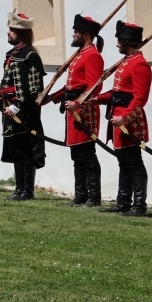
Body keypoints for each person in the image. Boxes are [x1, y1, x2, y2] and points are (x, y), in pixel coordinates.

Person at [45, 15, 105, 207]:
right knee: (77, 156)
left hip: (84, 112)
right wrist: (52, 97)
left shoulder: (92, 55)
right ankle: (81, 196)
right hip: (73, 110)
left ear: (86, 35)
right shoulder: (80, 54)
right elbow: (71, 87)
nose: (73, 35)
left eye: (76, 32)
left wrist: (78, 104)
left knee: (87, 155)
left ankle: (93, 197)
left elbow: (94, 87)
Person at [96, 21, 152, 217]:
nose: (117, 44)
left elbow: (140, 99)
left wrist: (125, 118)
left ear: (128, 41)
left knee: (135, 163)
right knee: (124, 163)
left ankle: (139, 207)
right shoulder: (126, 62)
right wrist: (98, 99)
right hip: (117, 117)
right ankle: (123, 203)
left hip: (129, 121)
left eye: (119, 40)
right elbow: (117, 92)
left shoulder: (140, 64)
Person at [0, 11, 46, 201]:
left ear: (21, 33)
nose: (8, 32)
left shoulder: (30, 55)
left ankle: (27, 191)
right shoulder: (12, 54)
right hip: (9, 109)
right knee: (16, 150)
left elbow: (34, 89)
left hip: (25, 112)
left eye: (12, 30)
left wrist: (16, 107)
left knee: (26, 150)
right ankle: (19, 189)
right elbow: (9, 82)